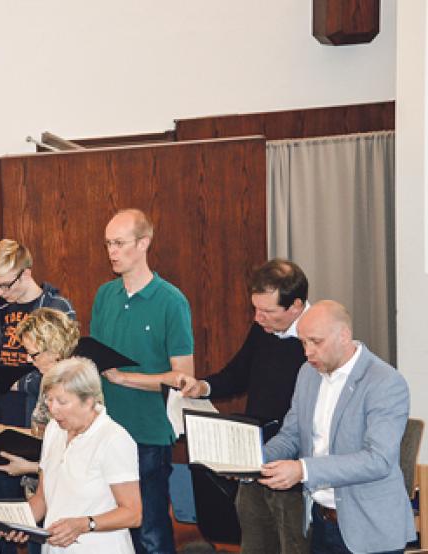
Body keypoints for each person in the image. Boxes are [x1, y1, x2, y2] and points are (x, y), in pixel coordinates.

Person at [175, 259, 310, 553]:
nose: (258, 318)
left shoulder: (316, 340)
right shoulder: (264, 327)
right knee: (254, 543)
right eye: (255, 309)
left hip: (294, 472)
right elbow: (238, 374)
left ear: (296, 306)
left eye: (267, 311)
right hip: (253, 457)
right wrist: (202, 387)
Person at [260, 300, 415, 553]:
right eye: (303, 342)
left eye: (316, 342)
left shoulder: (384, 382)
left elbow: (378, 460)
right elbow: (291, 435)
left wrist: (303, 469)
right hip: (320, 522)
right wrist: (255, 460)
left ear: (344, 336)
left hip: (369, 530)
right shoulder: (307, 374)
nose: (307, 352)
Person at [89, 208, 194, 554]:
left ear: (144, 243)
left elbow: (183, 378)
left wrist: (125, 378)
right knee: (109, 528)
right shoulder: (105, 295)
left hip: (148, 435)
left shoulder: (171, 301)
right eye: (108, 244)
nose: (112, 252)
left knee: (150, 532)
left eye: (119, 243)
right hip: (105, 430)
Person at [2, 357, 142, 553]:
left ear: (89, 401)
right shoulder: (53, 429)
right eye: (49, 399)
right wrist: (20, 523)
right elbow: (42, 497)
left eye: (62, 401)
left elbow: (133, 514)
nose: (53, 408)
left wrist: (85, 524)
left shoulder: (114, 439)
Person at [0, 307, 80, 479]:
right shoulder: (49, 380)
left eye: (33, 354)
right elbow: (42, 433)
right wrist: (3, 430)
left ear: (55, 350)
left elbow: (76, 461)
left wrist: (29, 468)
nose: (28, 360)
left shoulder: (77, 388)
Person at [0, 238, 75, 368]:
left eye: (6, 285)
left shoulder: (57, 307)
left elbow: (63, 367)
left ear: (25, 274)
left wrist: (20, 384)